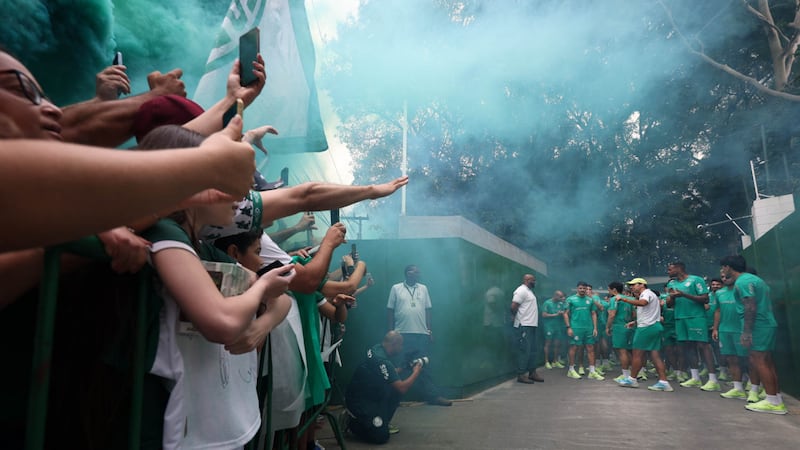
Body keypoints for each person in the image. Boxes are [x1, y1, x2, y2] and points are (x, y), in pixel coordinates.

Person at [137, 125, 294, 448]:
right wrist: (261, 291)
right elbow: (222, 322)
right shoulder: (165, 232)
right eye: (220, 178)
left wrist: (260, 325)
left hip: (215, 420)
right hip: (179, 425)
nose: (237, 196)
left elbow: (283, 300)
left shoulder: (205, 248)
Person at [720, 255, 786, 415]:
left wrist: (747, 332)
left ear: (729, 267)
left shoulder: (742, 282)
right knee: (767, 361)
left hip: (758, 326)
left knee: (760, 361)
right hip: (766, 324)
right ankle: (776, 397)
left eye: (723, 267)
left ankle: (772, 401)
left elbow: (750, 306)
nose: (722, 271)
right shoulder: (754, 279)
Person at [386, 265, 452, 406]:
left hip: (420, 334)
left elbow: (428, 309)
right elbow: (390, 310)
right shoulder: (396, 288)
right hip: (401, 334)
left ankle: (433, 397)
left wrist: (429, 330)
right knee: (399, 366)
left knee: (423, 366)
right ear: (407, 273)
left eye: (418, 272)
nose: (418, 274)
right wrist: (391, 332)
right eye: (415, 271)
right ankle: (392, 399)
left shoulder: (423, 288)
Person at [343, 331, 423, 444]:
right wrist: (416, 372)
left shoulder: (376, 349)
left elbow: (385, 372)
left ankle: (382, 422)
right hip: (359, 402)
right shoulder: (383, 361)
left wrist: (402, 369)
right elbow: (402, 388)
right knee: (381, 437)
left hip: (369, 395)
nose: (402, 348)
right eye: (401, 344)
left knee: (393, 390)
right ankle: (351, 422)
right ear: (394, 344)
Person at [665, 261, 718, 391]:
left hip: (696, 317)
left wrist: (683, 294)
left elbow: (705, 298)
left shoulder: (696, 280)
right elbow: (669, 305)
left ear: (679, 268)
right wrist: (672, 297)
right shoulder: (672, 283)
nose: (668, 271)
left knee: (702, 346)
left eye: (670, 269)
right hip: (680, 318)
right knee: (688, 347)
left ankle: (713, 379)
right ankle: (695, 378)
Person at [616, 278, 673, 392]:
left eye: (634, 285)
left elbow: (643, 303)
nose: (631, 287)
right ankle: (663, 382)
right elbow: (649, 313)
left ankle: (632, 379)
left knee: (637, 354)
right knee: (655, 355)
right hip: (653, 326)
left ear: (642, 285)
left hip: (646, 328)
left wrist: (624, 299)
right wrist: (635, 322)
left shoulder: (646, 294)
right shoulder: (650, 294)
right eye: (630, 285)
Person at [713, 271, 749, 400]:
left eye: (727, 276)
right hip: (725, 330)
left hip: (741, 330)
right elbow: (717, 311)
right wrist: (716, 328)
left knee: (748, 359)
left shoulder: (741, 290)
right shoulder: (719, 293)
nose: (725, 278)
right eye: (723, 277)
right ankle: (738, 388)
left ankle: (756, 386)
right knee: (731, 359)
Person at [564, 281, 603, 380]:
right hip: (576, 327)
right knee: (574, 347)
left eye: (584, 288)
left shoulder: (590, 300)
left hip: (588, 328)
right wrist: (568, 327)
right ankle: (571, 370)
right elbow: (565, 313)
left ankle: (592, 371)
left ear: (587, 289)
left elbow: (593, 313)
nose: (582, 290)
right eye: (580, 288)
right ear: (577, 288)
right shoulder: (571, 299)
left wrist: (595, 328)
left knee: (590, 348)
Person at [511, 274, 544, 383]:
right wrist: (514, 318)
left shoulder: (529, 291)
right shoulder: (521, 290)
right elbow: (513, 306)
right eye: (533, 280)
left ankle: (532, 372)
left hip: (532, 325)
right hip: (524, 325)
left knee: (533, 350)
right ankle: (521, 374)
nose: (535, 282)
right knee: (524, 350)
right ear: (527, 280)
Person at [606, 281, 635, 382]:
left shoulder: (614, 299)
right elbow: (634, 314)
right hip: (630, 326)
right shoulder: (631, 299)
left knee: (622, 351)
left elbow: (612, 314)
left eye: (609, 289)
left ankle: (625, 375)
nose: (608, 291)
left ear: (614, 289)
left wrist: (607, 327)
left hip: (619, 326)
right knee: (629, 351)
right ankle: (633, 373)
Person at [541, 290, 567, 369]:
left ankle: (555, 361)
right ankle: (546, 362)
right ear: (555, 296)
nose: (561, 298)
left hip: (558, 326)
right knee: (548, 344)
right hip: (549, 326)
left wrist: (562, 313)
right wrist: (555, 314)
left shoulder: (560, 303)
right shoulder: (547, 303)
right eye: (560, 297)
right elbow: (544, 315)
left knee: (557, 344)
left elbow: (564, 312)